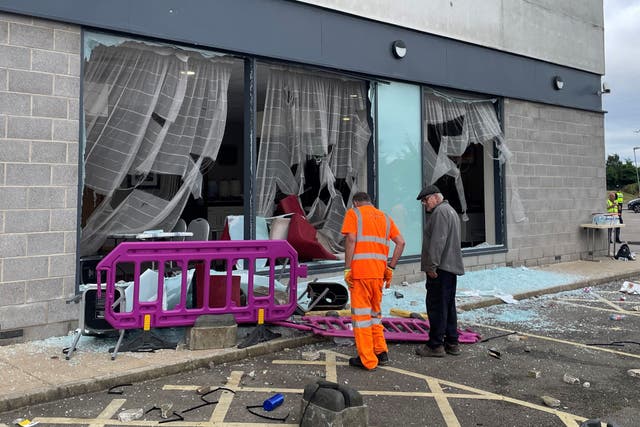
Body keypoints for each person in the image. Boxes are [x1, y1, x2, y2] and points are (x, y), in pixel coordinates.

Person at [341, 192, 405, 370]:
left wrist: (347, 268)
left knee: (361, 318)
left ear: (355, 202)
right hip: (378, 275)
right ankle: (380, 351)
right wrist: (390, 268)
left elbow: (351, 239)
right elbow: (401, 243)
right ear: (370, 202)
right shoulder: (385, 217)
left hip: (360, 274)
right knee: (375, 315)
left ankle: (367, 360)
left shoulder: (354, 214)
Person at [415, 185, 465, 357]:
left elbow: (438, 241)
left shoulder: (439, 213)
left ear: (435, 197)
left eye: (425, 200)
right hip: (449, 268)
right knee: (448, 305)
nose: (424, 204)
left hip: (440, 269)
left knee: (437, 307)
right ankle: (452, 342)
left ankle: (435, 345)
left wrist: (431, 266)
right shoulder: (450, 211)